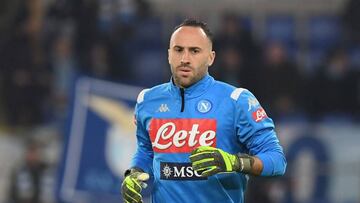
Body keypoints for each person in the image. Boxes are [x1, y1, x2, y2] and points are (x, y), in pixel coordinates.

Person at [121, 19, 286, 203]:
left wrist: (235, 162)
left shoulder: (236, 101)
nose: (185, 59)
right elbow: (146, 151)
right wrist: (134, 173)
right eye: (178, 50)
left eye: (194, 51)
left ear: (211, 57)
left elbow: (277, 160)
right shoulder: (147, 101)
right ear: (169, 54)